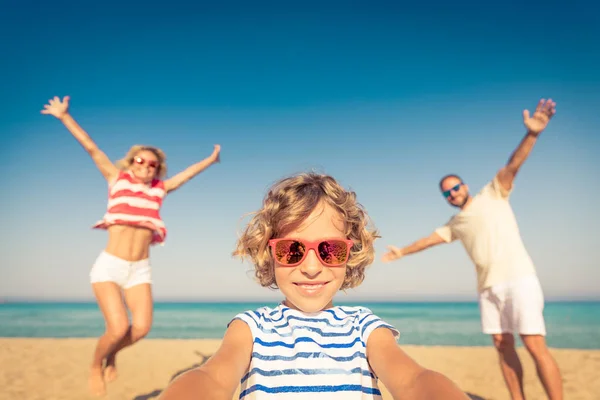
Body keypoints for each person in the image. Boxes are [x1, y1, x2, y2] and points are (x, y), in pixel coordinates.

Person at [159, 172, 469, 399]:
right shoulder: (251, 328)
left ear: (350, 253)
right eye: (291, 250)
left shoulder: (364, 327)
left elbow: (413, 379)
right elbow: (212, 378)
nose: (310, 267)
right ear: (269, 252)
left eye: (329, 250)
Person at [382, 98, 563, 400]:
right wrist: (402, 252)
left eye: (456, 187)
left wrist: (533, 134)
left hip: (519, 279)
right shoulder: (456, 223)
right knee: (502, 347)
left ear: (465, 186)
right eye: (447, 193)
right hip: (487, 288)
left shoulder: (493, 194)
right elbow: (427, 240)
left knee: (534, 345)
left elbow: (514, 164)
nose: (453, 193)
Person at [41, 96, 221, 397]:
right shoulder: (116, 179)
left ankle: (113, 354)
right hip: (110, 265)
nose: (146, 166)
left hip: (140, 269)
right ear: (131, 161)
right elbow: (91, 147)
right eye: (141, 160)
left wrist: (210, 160)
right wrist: (64, 116)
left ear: (157, 169)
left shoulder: (159, 190)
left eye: (153, 164)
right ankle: (96, 363)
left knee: (141, 329)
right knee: (117, 328)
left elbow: (187, 175)